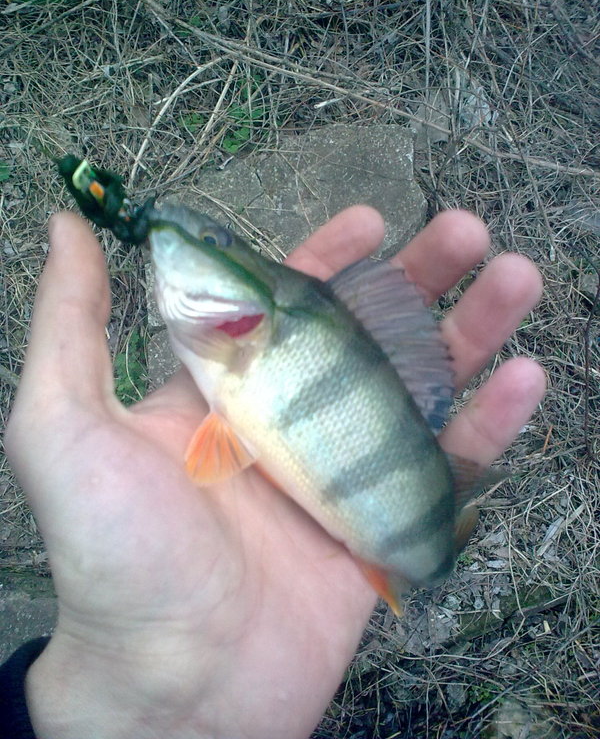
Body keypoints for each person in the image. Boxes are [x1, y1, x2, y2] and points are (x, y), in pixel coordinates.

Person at [2, 206, 545, 739]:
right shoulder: (237, 330)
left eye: (213, 243)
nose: (191, 242)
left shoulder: (248, 329)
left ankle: (431, 549)